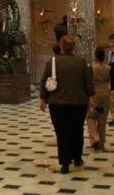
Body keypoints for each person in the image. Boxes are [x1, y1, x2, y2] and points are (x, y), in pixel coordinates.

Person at [40, 36, 94, 174]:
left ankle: (65, 163)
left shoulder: (52, 62)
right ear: (74, 47)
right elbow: (88, 82)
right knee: (77, 130)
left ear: (62, 46)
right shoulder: (81, 62)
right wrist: (91, 97)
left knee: (62, 132)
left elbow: (44, 81)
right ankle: (77, 158)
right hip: (78, 102)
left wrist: (43, 99)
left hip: (57, 103)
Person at [87, 48, 111, 152]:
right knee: (102, 119)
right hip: (105, 95)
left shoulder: (91, 68)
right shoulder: (109, 68)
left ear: (95, 56)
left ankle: (95, 138)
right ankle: (102, 143)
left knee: (90, 117)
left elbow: (88, 82)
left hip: (94, 95)